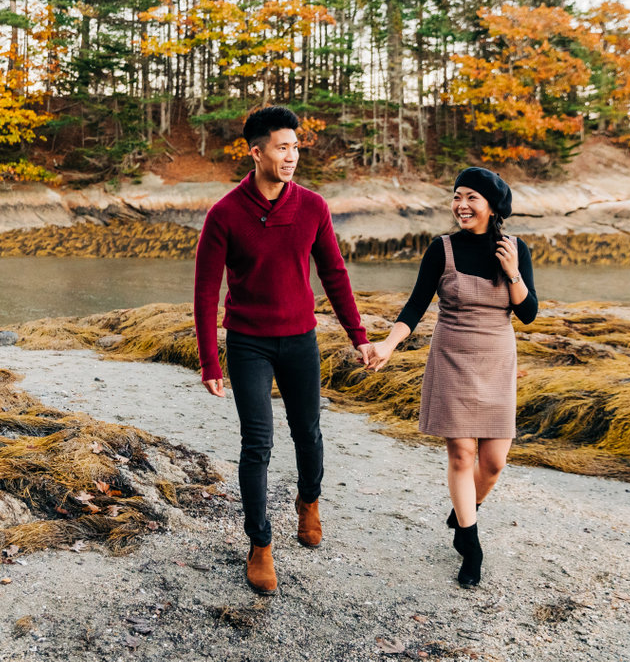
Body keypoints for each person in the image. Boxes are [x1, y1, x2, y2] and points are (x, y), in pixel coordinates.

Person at [193, 105, 375, 595]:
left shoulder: (313, 207)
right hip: (249, 342)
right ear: (256, 152)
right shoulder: (224, 214)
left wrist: (358, 336)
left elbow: (334, 274)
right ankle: (260, 544)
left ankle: (309, 501)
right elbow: (206, 290)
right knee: (257, 445)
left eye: (296, 147)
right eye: (282, 147)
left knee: (308, 432)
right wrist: (210, 360)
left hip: (300, 340)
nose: (292, 155)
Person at [367, 167, 537, 588]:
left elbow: (529, 313)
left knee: (493, 463)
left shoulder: (516, 249)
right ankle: (471, 543)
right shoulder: (440, 249)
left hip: (498, 358)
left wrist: (513, 271)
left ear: (492, 206)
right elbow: (415, 306)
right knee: (462, 454)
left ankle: (465, 511)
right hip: (452, 356)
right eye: (457, 196)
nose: (462, 205)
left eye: (471, 198)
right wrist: (388, 344)